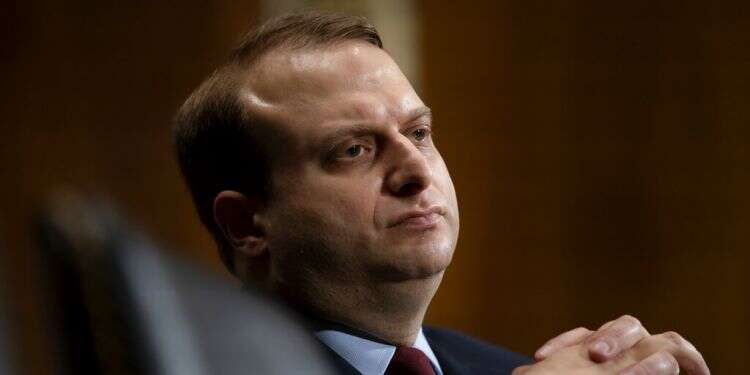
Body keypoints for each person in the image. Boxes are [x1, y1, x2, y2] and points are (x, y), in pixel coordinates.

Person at [173, 11, 709, 375]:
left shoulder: (504, 368)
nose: (414, 170)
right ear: (246, 225)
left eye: (418, 133)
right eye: (354, 150)